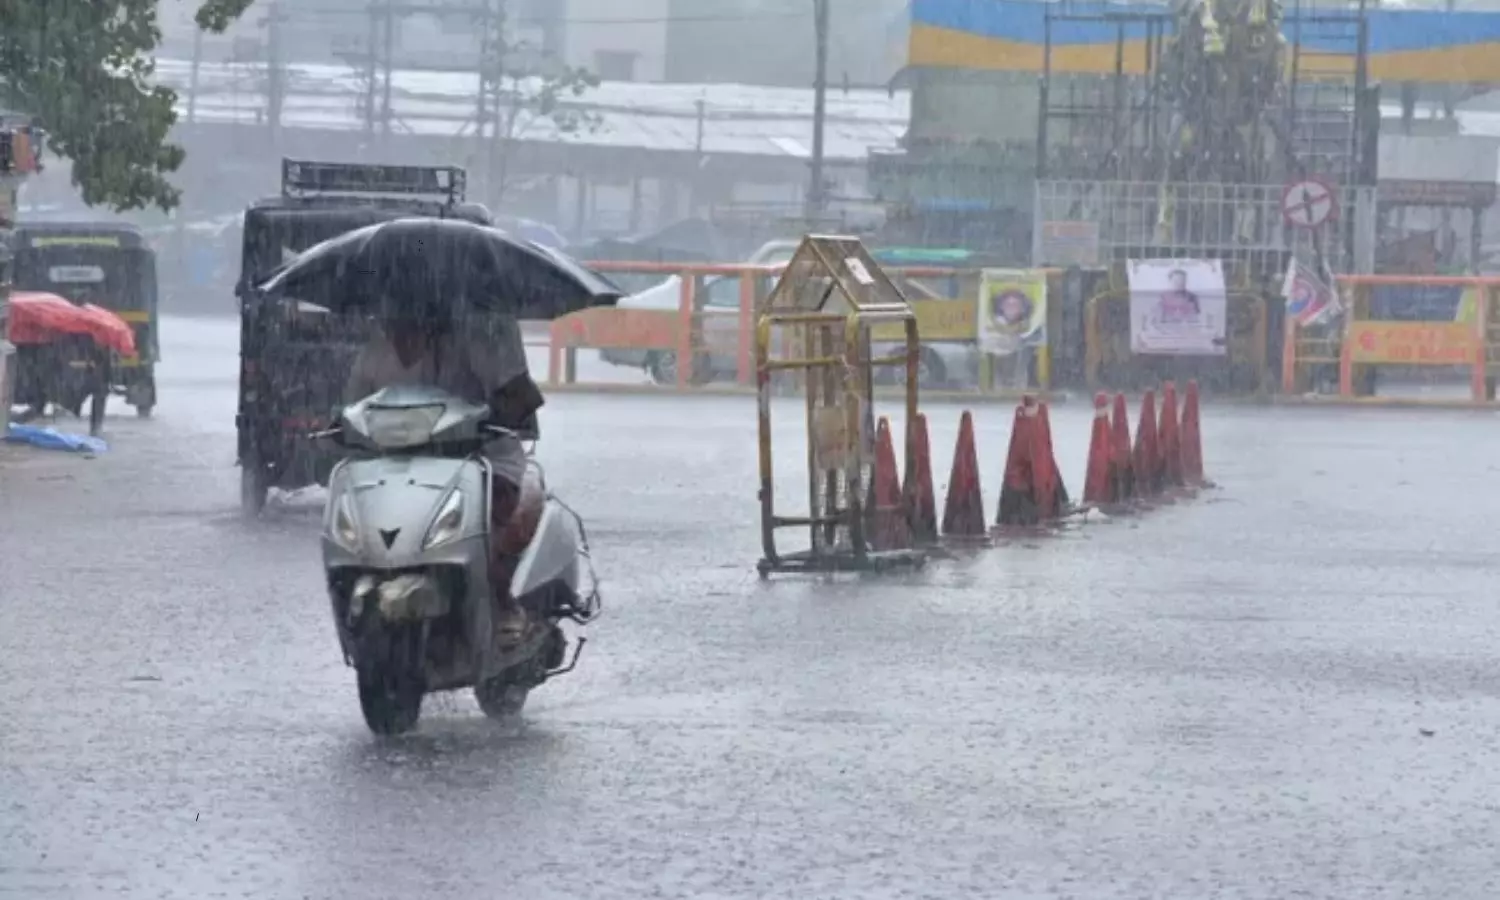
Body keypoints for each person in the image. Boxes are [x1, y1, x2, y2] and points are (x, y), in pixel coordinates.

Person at [344, 296, 545, 646]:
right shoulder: (374, 352)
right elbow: (350, 409)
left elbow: (522, 397)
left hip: (483, 461)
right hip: (399, 467)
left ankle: (501, 602)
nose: (395, 322)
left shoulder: (481, 335)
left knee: (484, 531)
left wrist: (494, 414)